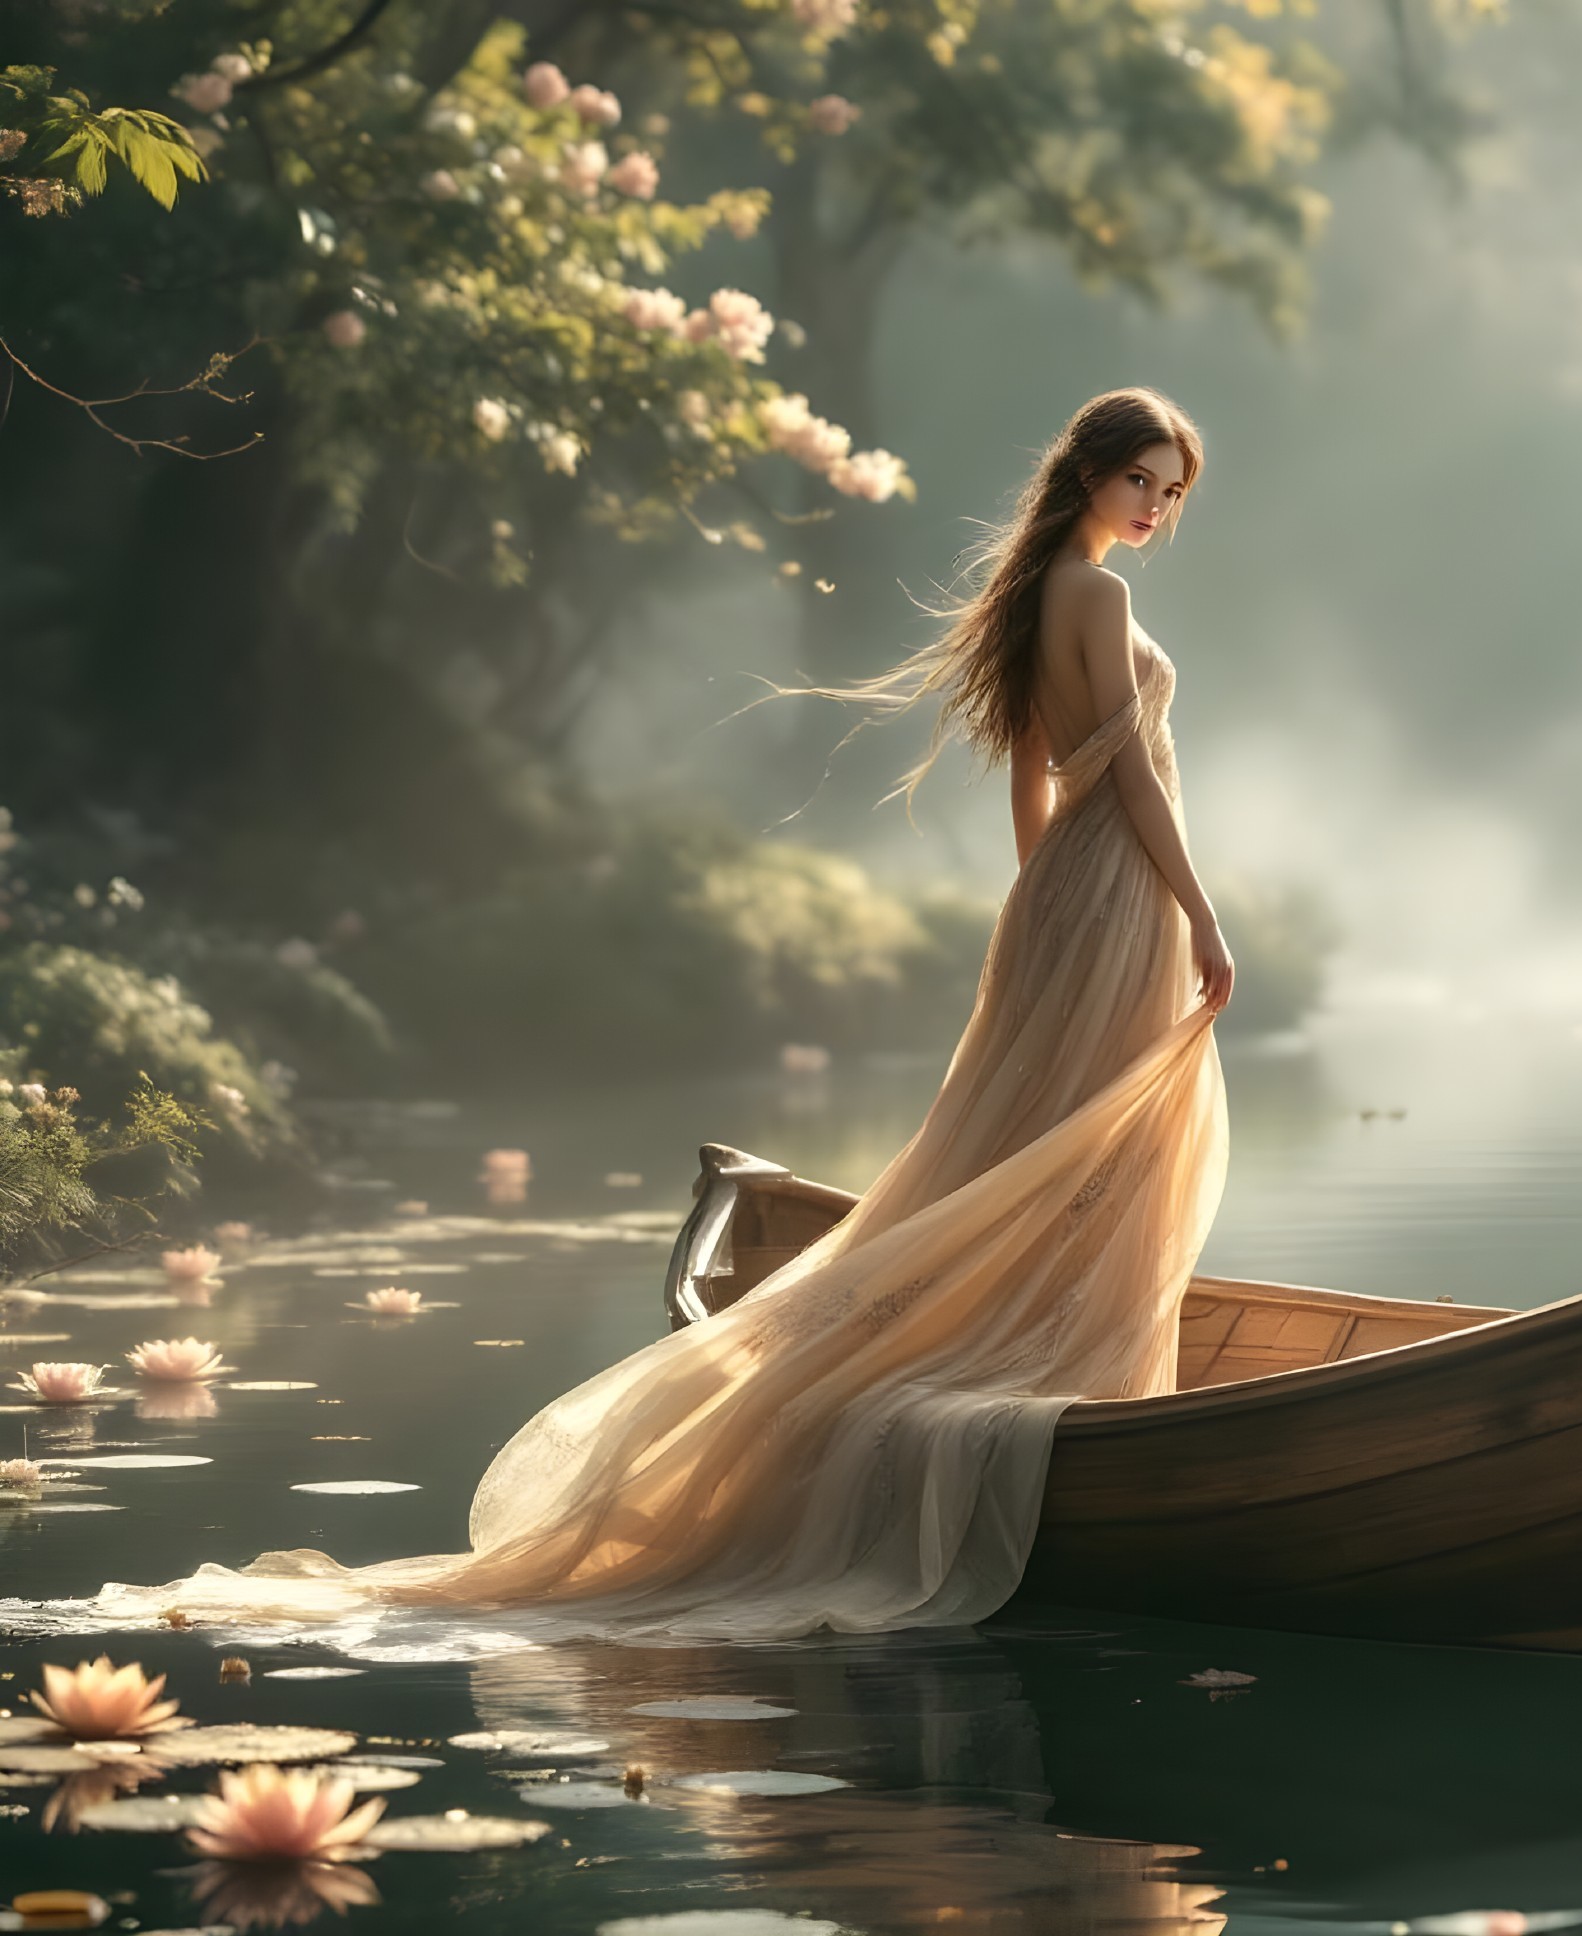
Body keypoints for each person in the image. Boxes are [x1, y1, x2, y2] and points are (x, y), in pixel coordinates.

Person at [61, 388, 1235, 1645]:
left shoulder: (1033, 594)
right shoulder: (1098, 597)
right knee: (1099, 1142)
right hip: (1113, 884)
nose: (1156, 508)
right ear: (1087, 474)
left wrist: (1035, 900)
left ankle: (1022, 1343)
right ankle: (1063, 1365)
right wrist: (1197, 911)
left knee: (1041, 1134)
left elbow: (1025, 772)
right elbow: (1120, 766)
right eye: (1141, 482)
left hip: (1062, 891)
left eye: (1172, 491)